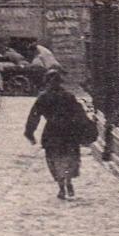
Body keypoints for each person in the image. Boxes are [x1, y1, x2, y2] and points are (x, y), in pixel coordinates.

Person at [24, 69, 85, 200]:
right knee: (68, 157)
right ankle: (67, 182)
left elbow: (34, 116)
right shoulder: (68, 96)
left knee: (54, 159)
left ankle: (62, 186)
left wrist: (30, 132)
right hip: (68, 132)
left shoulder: (44, 97)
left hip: (52, 132)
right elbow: (79, 114)